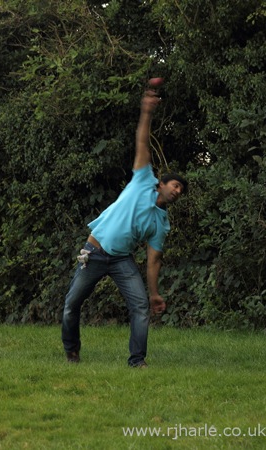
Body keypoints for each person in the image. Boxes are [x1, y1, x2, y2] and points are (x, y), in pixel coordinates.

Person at [61, 82, 187, 367]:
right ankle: (72, 352)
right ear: (162, 183)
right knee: (71, 305)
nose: (178, 191)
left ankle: (137, 361)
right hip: (94, 251)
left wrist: (154, 293)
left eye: (181, 190)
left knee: (141, 306)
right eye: (176, 185)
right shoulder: (144, 179)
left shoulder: (161, 224)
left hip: (120, 260)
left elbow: (153, 261)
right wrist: (146, 110)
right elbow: (142, 141)